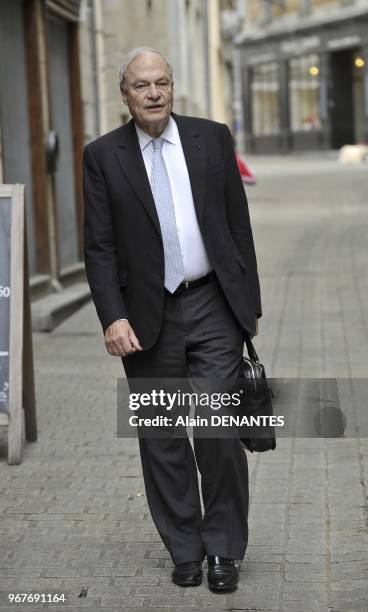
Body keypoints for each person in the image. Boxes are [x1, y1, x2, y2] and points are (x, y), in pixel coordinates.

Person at [83, 47, 262, 592]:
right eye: (142, 85)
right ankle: (185, 547)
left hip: (211, 304)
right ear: (125, 95)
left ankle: (224, 549)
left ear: (172, 86)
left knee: (216, 429)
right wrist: (112, 316)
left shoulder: (212, 138)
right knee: (162, 437)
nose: (155, 93)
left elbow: (238, 224)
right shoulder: (103, 155)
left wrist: (247, 308)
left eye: (162, 82)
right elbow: (99, 246)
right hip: (145, 313)